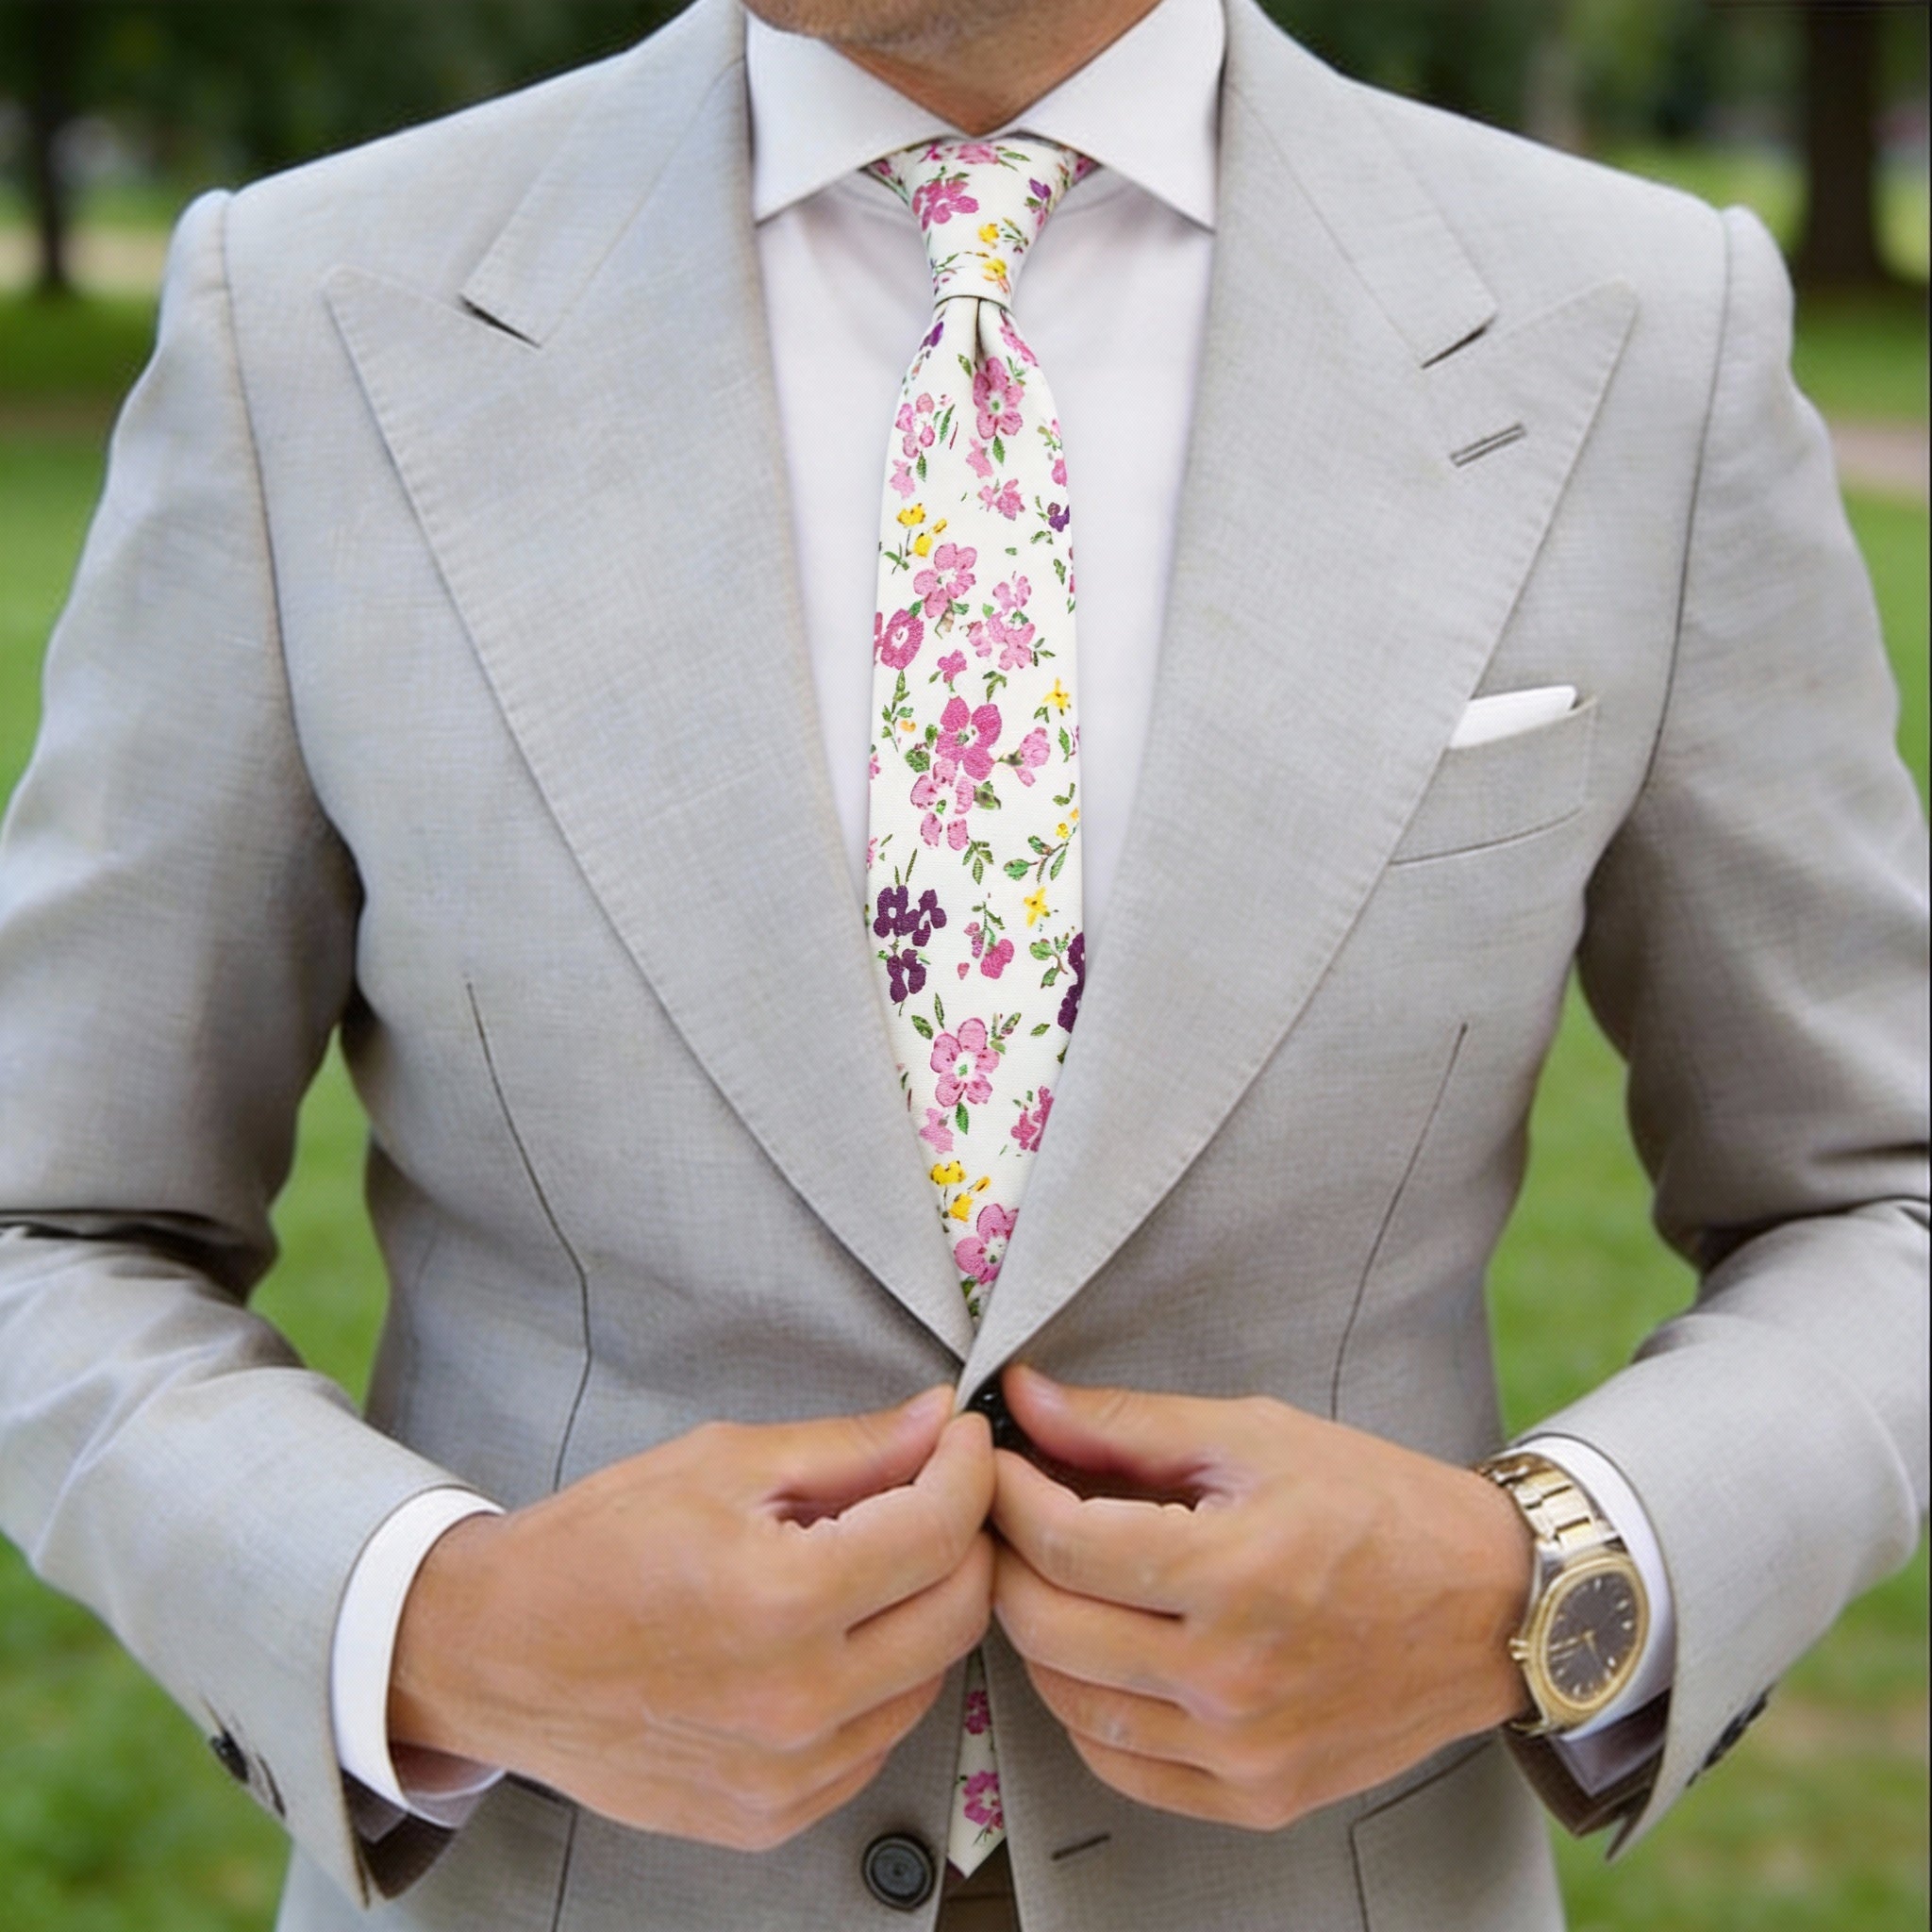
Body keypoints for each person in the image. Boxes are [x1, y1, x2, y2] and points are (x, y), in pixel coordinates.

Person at [0, 0, 1924, 1925]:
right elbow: (51, 1225)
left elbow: (1877, 1200)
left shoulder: (1637, 326)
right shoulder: (312, 309)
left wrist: (1542, 1583)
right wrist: (439, 1624)